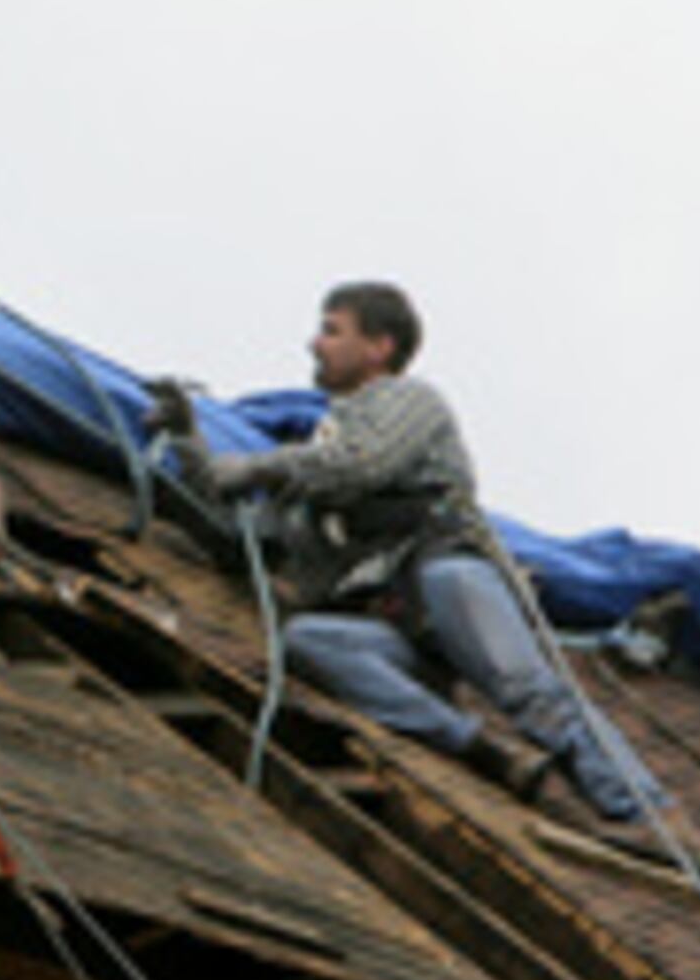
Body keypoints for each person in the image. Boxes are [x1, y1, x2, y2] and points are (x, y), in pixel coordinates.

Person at [162, 281, 647, 823]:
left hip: (446, 574)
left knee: (528, 692)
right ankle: (478, 747)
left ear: (379, 347)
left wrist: (258, 466)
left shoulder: (408, 402)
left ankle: (642, 813)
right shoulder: (313, 466)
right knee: (307, 639)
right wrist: (188, 442)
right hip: (403, 628)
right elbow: (239, 540)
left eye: (331, 330)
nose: (314, 344)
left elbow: (360, 465)